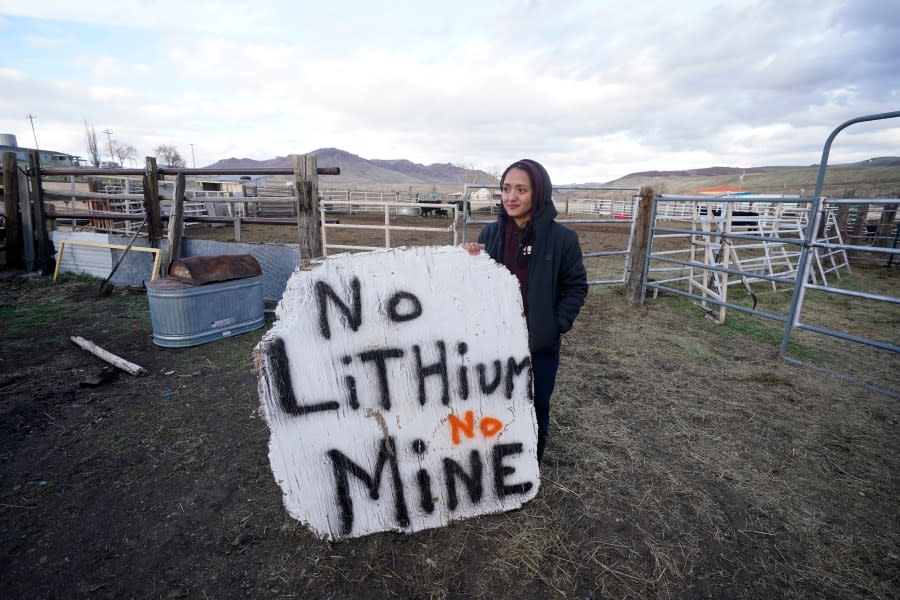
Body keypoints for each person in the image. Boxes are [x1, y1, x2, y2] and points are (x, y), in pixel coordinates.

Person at [462, 159, 587, 462]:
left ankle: (530, 463)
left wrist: (555, 324)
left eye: (521, 189)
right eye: (506, 189)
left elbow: (576, 287)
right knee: (493, 400)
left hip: (539, 344)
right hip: (494, 340)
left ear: (538, 193)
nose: (511, 197)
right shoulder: (489, 235)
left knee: (535, 402)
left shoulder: (562, 239)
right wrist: (467, 260)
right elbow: (474, 287)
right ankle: (496, 462)